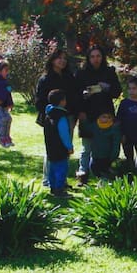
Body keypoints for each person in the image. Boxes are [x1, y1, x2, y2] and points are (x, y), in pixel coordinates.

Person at [75, 45, 122, 184]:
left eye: (98, 56)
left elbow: (117, 92)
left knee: (105, 144)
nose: (96, 59)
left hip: (105, 113)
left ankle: (103, 172)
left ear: (103, 58)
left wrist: (107, 88)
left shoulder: (109, 72)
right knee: (87, 145)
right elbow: (76, 94)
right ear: (88, 58)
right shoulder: (81, 73)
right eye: (93, 56)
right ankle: (83, 173)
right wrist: (81, 107)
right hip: (87, 112)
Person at [35, 49, 79, 187]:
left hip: (68, 117)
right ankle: (48, 179)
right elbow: (39, 101)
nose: (62, 61)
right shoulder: (46, 79)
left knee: (65, 148)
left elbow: (75, 97)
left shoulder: (69, 77)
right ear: (53, 60)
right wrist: (50, 114)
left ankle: (61, 180)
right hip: (52, 119)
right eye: (59, 58)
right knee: (52, 149)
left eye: (65, 58)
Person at [43, 89, 74, 197]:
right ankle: (59, 189)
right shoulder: (61, 116)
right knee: (61, 168)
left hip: (50, 146)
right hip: (60, 147)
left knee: (52, 168)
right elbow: (64, 133)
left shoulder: (48, 114)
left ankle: (53, 187)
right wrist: (69, 146)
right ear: (62, 101)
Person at [89, 112, 121, 179]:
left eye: (109, 117)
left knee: (106, 173)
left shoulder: (114, 128)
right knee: (94, 169)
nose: (106, 119)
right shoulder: (94, 126)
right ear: (99, 117)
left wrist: (113, 157)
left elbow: (116, 144)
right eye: (104, 117)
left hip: (108, 157)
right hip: (95, 156)